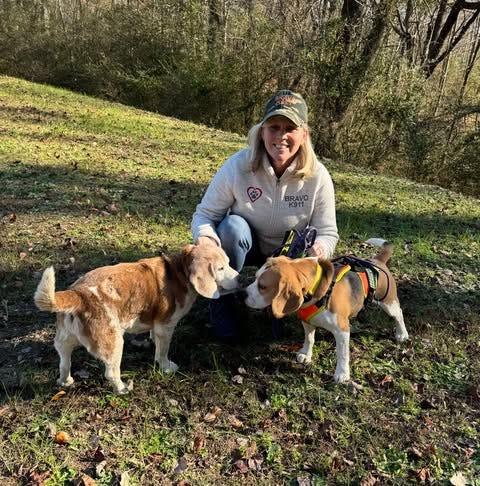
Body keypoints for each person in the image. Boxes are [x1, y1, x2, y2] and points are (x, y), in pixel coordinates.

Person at [191, 89, 338, 341]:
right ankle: (223, 302)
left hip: (289, 257)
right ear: (262, 131)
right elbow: (205, 215)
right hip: (246, 247)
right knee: (232, 228)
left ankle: (280, 304)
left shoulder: (319, 176)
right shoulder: (237, 165)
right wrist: (206, 240)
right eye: (274, 127)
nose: (281, 136)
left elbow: (327, 232)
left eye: (290, 128)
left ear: (304, 134)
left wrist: (320, 249)